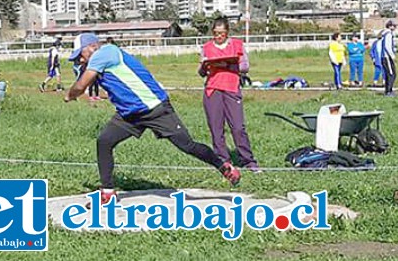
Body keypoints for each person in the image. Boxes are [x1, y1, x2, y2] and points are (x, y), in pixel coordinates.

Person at [64, 33, 241, 205]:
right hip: (130, 114)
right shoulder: (96, 60)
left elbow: (81, 86)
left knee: (187, 145)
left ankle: (223, 166)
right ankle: (108, 192)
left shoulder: (106, 52)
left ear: (92, 46)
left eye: (80, 55)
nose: (80, 60)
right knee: (104, 141)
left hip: (155, 107)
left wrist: (69, 96)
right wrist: (79, 70)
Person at [198, 18, 260, 173]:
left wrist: (229, 64)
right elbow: (201, 72)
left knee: (238, 127)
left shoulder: (237, 45)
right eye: (215, 33)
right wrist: (205, 65)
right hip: (213, 89)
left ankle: (248, 161)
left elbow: (245, 66)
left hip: (231, 88)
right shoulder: (206, 47)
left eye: (222, 33)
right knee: (216, 128)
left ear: (227, 33)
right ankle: (223, 161)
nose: (218, 36)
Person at [381, 20, 398, 96]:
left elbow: (390, 46)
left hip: (386, 56)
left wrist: (397, 50)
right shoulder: (388, 34)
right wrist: (392, 56)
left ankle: (389, 90)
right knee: (391, 74)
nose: (395, 27)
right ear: (390, 26)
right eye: (394, 26)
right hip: (386, 57)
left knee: (391, 74)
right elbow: (387, 47)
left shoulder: (388, 34)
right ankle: (388, 91)